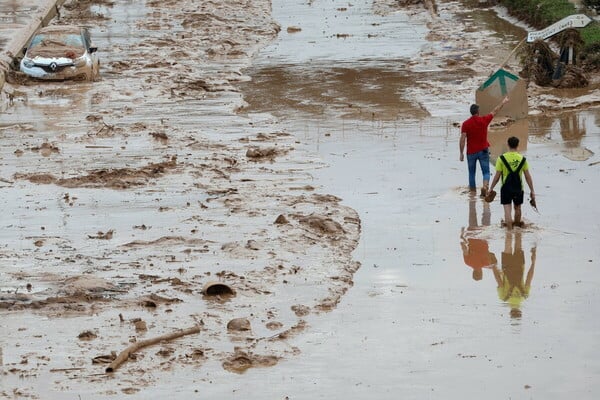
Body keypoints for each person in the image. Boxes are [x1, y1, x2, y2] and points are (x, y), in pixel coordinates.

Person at [459, 96, 510, 197]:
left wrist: (461, 153)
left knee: (471, 173)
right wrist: (503, 102)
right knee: (486, 172)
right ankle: (485, 187)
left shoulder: (465, 124)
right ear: (478, 112)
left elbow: (462, 139)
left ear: (471, 112)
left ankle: (472, 193)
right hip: (483, 150)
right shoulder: (484, 120)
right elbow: (494, 111)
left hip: (471, 152)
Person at [488, 136, 535, 229]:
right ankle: (517, 228)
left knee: (507, 210)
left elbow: (497, 176)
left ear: (508, 145)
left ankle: (509, 232)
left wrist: (491, 188)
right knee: (518, 208)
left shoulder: (501, 159)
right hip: (518, 188)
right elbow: (527, 176)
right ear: (518, 146)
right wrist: (532, 190)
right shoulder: (522, 159)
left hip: (506, 188)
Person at [492, 230, 536, 319]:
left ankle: (517, 226)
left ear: (520, 311)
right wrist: (493, 266)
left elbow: (529, 277)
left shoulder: (524, 296)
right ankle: (508, 227)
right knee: (508, 242)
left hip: (519, 266)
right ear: (510, 313)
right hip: (507, 267)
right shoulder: (503, 298)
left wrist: (533, 263)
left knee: (518, 240)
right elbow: (498, 279)